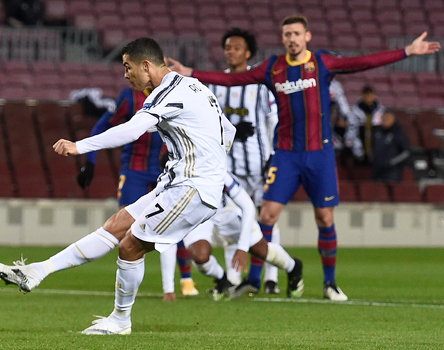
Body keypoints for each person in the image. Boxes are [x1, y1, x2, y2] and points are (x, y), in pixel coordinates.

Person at [169, 14, 440, 301]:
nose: (292, 39)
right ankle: (255, 279)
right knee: (267, 215)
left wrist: (406, 52)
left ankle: (330, 283)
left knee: (324, 218)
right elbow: (233, 79)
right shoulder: (273, 68)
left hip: (319, 155)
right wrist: (192, 73)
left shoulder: (322, 62)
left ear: (307, 36)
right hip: (286, 155)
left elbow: (362, 62)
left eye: (297, 33)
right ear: (283, 38)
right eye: (287, 34)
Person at [0, 37, 232, 335]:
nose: (125, 74)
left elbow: (132, 130)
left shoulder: (165, 93)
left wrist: (79, 146)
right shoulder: (196, 86)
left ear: (146, 65)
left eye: (127, 66)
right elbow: (228, 130)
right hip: (178, 181)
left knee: (130, 245)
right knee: (117, 225)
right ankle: (37, 271)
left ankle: (120, 321)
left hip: (193, 187)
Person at [77, 87, 198, 300]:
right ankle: (129, 286)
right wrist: (90, 161)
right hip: (134, 171)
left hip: (167, 169)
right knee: (125, 226)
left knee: (173, 220)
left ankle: (186, 278)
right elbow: (102, 125)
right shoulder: (129, 96)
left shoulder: (174, 93)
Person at [207, 27, 281, 296]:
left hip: (261, 163)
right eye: (227, 46)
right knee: (228, 224)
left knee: (267, 219)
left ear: (248, 53)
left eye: (236, 47)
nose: (231, 51)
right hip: (228, 167)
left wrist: (273, 156)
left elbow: (274, 121)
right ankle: (235, 279)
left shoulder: (261, 84)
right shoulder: (215, 84)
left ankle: (271, 277)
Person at [184, 177, 303, 301]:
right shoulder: (177, 167)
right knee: (200, 256)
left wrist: (242, 248)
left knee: (261, 250)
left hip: (225, 210)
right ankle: (222, 279)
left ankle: (293, 267)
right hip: (196, 210)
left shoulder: (217, 169)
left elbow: (247, 205)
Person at [371, 112, 411, 182]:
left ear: (393, 120)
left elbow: (406, 152)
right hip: (377, 169)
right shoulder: (377, 132)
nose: (385, 120)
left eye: (388, 119)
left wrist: (392, 162)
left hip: (392, 171)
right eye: (383, 119)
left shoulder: (398, 133)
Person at [352, 85, 386, 164]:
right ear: (363, 96)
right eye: (366, 95)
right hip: (360, 141)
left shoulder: (381, 110)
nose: (369, 97)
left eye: (371, 95)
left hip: (375, 142)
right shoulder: (356, 111)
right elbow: (352, 128)